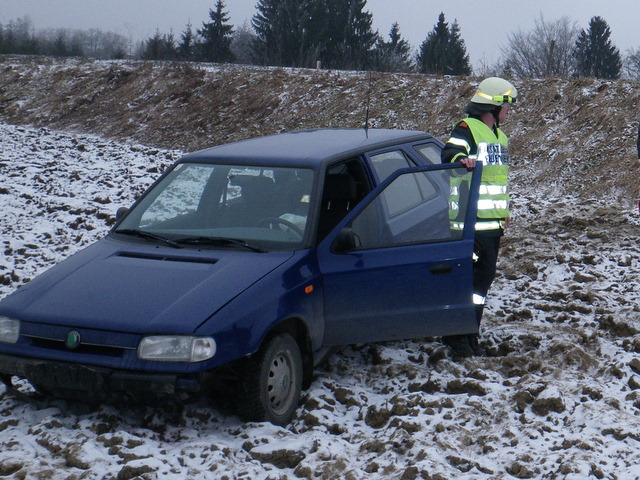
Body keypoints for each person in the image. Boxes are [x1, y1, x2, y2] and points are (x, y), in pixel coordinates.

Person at [440, 77, 517, 356]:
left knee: (482, 281)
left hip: (492, 223)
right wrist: (461, 161)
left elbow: (499, 181)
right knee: (469, 282)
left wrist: (503, 213)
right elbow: (448, 155)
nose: (510, 111)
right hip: (470, 223)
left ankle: (469, 331)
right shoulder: (466, 128)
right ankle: (458, 336)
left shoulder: (500, 135)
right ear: (494, 105)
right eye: (507, 105)